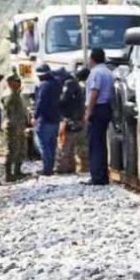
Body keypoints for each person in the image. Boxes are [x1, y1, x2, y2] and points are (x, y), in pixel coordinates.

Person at [83, 48, 113, 185]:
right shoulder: (108, 72)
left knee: (94, 143)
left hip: (97, 108)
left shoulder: (96, 72)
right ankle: (103, 174)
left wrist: (88, 112)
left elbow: (94, 92)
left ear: (92, 59)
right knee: (101, 143)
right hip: (106, 107)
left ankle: (97, 176)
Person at [55, 67, 84, 174]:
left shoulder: (69, 84)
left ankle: (62, 168)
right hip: (75, 118)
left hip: (69, 119)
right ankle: (70, 167)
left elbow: (63, 100)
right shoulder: (75, 84)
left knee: (64, 144)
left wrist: (55, 100)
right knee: (71, 145)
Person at [33, 63, 61, 176]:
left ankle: (47, 169)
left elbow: (41, 102)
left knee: (43, 144)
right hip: (55, 118)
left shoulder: (44, 85)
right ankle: (50, 167)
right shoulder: (57, 83)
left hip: (45, 119)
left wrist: (35, 116)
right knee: (52, 144)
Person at [1, 72, 28, 182]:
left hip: (19, 125)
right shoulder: (9, 94)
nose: (19, 83)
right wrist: (14, 93)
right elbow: (8, 108)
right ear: (10, 82)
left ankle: (17, 171)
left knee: (21, 148)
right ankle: (8, 174)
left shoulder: (17, 93)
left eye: (19, 81)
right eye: (16, 81)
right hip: (12, 126)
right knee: (11, 149)